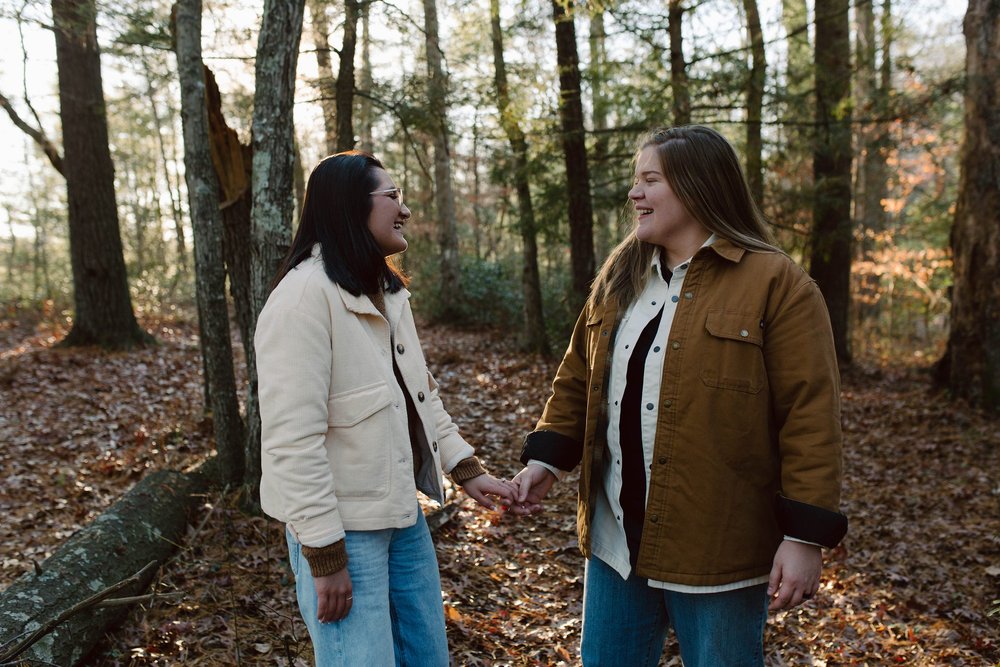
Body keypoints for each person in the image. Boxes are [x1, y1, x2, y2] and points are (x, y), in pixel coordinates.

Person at [510, 125, 848, 666]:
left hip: (719, 549)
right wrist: (546, 461)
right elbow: (578, 375)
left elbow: (809, 418)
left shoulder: (776, 283)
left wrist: (805, 537)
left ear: (697, 187)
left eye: (650, 180)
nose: (634, 194)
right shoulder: (621, 275)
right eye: (634, 181)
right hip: (616, 545)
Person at [255, 150, 515, 666]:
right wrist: (326, 556)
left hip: (403, 517)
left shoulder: (387, 292)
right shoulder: (302, 299)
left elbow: (421, 397)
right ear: (353, 206)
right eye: (393, 196)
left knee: (426, 657)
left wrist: (465, 469)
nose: (406, 210)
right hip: (342, 534)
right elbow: (292, 440)